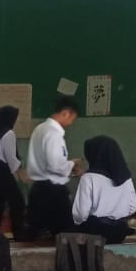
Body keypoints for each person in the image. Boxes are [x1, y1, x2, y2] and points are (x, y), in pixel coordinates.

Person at [24, 95, 84, 240]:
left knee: (35, 232)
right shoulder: (54, 134)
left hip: (38, 188)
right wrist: (72, 164)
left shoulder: (40, 129)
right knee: (65, 233)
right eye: (72, 118)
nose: (71, 122)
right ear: (66, 113)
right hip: (53, 191)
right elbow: (55, 165)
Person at [71, 135, 136, 244]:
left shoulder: (88, 178)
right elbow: (132, 208)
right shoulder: (125, 177)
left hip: (95, 233)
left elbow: (80, 215)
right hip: (119, 232)